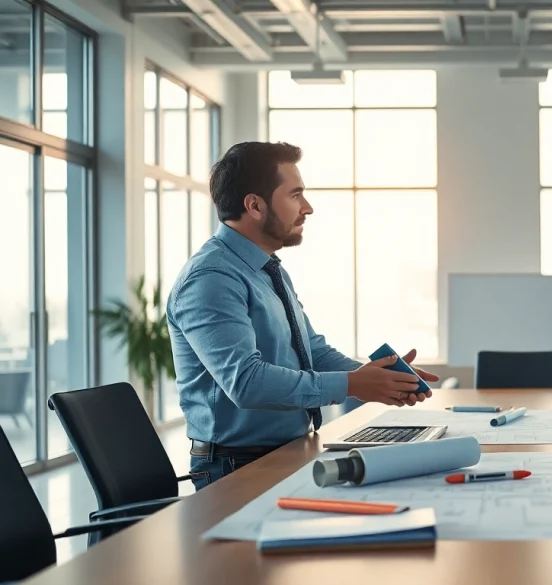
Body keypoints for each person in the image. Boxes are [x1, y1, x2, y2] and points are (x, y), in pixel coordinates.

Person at [167, 141, 439, 490]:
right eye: (295, 195)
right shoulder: (211, 279)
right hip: (236, 466)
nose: (307, 208)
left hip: (287, 451)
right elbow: (246, 383)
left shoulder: (265, 270)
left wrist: (380, 377)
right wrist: (354, 384)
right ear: (254, 205)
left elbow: (312, 351)